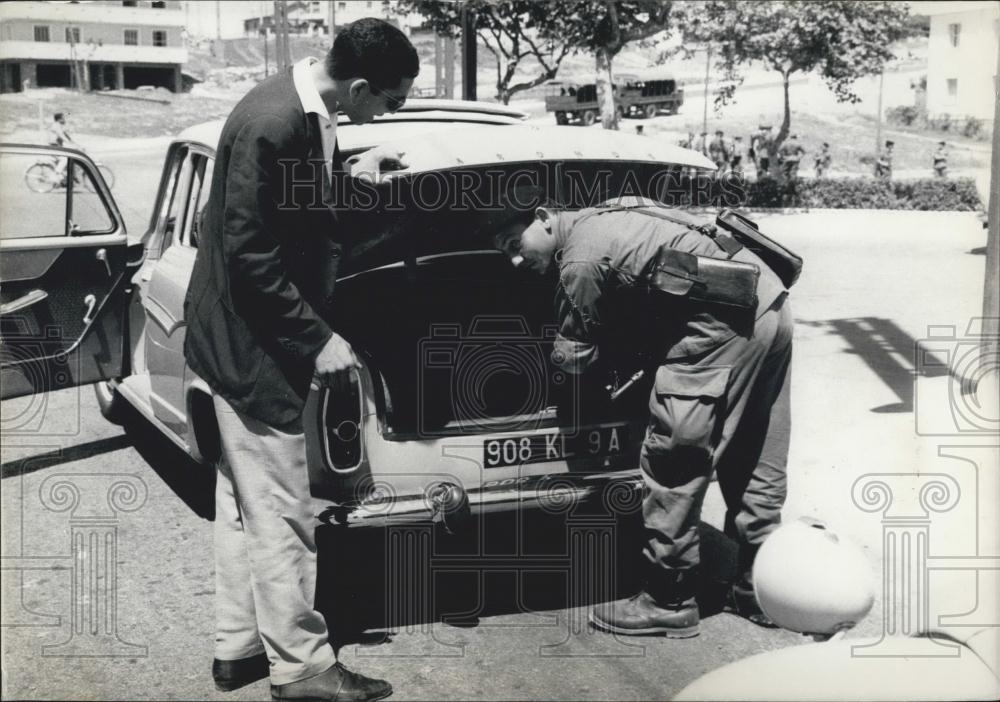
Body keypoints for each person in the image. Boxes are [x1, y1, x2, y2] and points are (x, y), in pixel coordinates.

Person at [183, 18, 418, 702]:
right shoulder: (273, 122)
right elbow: (251, 254)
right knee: (286, 510)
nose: (392, 112)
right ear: (361, 85)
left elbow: (292, 208)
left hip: (239, 337)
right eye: (392, 100)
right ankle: (304, 669)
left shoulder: (307, 111)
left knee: (244, 503)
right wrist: (317, 340)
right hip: (251, 347)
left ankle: (239, 647)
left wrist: (352, 175)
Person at [494, 200, 792, 638]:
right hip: (771, 306)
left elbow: (575, 359)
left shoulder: (579, 256)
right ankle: (759, 592)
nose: (516, 259)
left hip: (717, 329)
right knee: (754, 448)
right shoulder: (617, 211)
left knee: (675, 457)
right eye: (504, 255)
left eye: (513, 244)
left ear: (543, 217)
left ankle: (668, 600)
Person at [46, 112, 82, 181]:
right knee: (64, 159)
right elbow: (61, 136)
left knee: (71, 157)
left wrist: (76, 144)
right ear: (59, 119)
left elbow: (66, 136)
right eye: (63, 118)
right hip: (53, 147)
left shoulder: (59, 126)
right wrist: (71, 144)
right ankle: (57, 174)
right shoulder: (56, 126)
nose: (65, 120)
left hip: (57, 147)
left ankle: (72, 175)